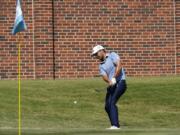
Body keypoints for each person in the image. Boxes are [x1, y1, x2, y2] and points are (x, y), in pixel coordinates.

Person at [91, 45, 127, 130]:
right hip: (112, 84)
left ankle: (115, 125)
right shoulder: (101, 65)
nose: (96, 56)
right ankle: (114, 125)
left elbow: (119, 65)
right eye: (95, 55)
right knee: (107, 106)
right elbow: (104, 76)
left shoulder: (112, 55)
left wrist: (114, 77)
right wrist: (109, 81)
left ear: (102, 51)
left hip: (120, 82)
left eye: (96, 54)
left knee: (112, 103)